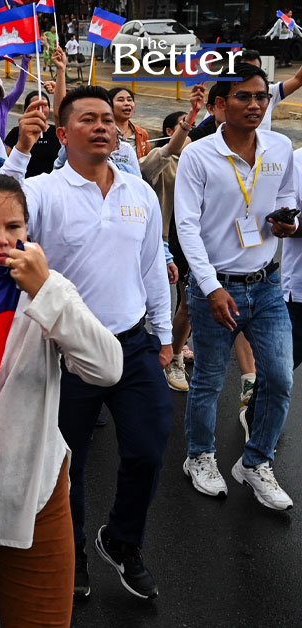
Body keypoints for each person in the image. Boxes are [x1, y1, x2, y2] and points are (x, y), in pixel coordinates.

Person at [0, 172, 121, 628]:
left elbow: (107, 367)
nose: (2, 239)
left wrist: (46, 292)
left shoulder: (51, 289)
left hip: (36, 494)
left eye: (13, 227)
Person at [9, 86, 174, 600]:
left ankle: (121, 542)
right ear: (63, 133)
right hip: (65, 351)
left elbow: (151, 266)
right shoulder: (42, 192)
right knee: (67, 465)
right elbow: (0, 211)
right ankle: (72, 551)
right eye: (88, 119)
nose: (102, 126)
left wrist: (165, 336)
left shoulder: (139, 193)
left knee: (148, 448)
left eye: (107, 119)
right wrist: (21, 149)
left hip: (132, 344)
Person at [174, 63, 296, 512]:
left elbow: (286, 198)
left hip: (266, 285)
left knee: (279, 379)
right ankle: (198, 456)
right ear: (221, 105)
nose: (255, 104)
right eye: (244, 97)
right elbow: (186, 225)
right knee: (208, 380)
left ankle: (255, 462)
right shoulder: (198, 155)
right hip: (217, 287)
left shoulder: (279, 147)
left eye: (261, 96)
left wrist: (286, 222)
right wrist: (209, 287)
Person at [140, 84, 206, 393]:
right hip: (164, 239)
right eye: (185, 129)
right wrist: (189, 118)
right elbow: (170, 150)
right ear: (172, 131)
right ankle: (160, 353)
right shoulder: (158, 160)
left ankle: (174, 348)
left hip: (194, 237)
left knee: (188, 298)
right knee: (159, 300)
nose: (191, 136)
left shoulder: (199, 163)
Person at [235, 48, 302, 132]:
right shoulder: (227, 94)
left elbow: (298, 80)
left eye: (256, 71)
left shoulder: (270, 91)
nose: (254, 106)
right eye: (247, 71)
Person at [6, 91, 61, 177]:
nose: (40, 109)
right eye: (36, 105)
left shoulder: (57, 132)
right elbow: (8, 159)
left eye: (44, 105)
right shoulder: (17, 132)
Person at [109, 87, 150, 158]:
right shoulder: (103, 131)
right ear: (108, 105)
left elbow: (146, 161)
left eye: (130, 100)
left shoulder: (142, 133)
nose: (127, 103)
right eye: (120, 100)